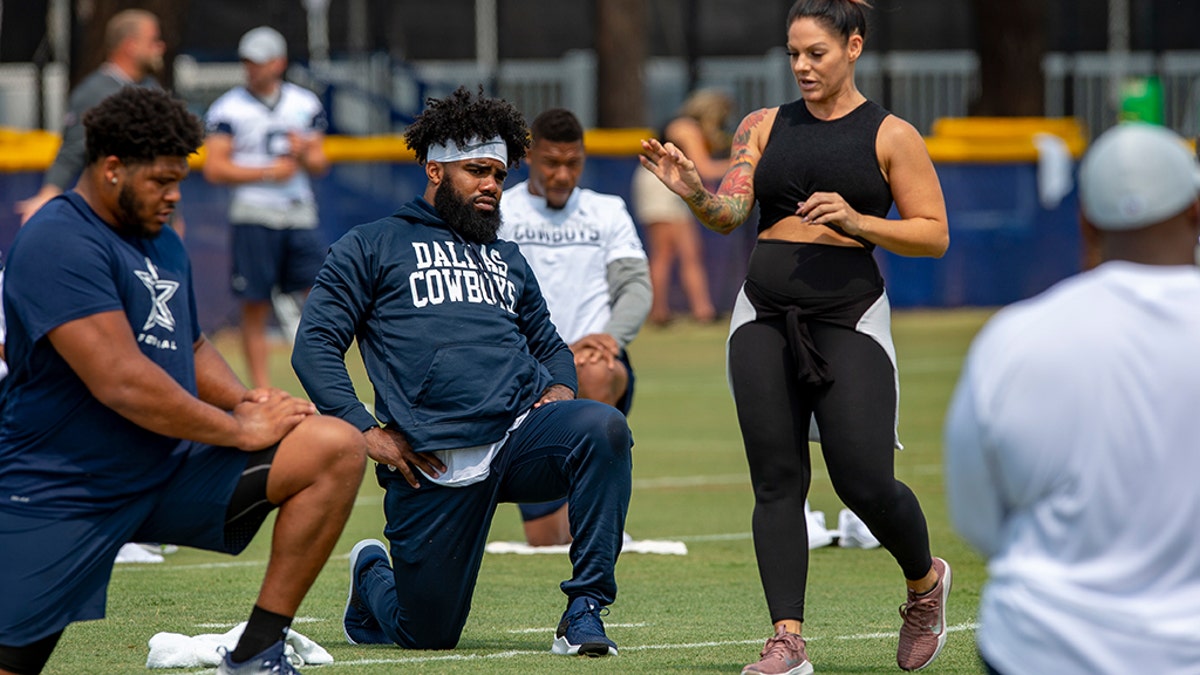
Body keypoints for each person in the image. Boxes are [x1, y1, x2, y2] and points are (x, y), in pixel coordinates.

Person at [0, 87, 365, 675]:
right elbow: (122, 381)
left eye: (180, 180)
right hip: (59, 486)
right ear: (111, 169)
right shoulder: (58, 239)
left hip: (162, 470)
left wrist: (248, 399)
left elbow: (186, 343)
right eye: (161, 181)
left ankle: (257, 652)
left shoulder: (161, 237)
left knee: (333, 446)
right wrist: (238, 428)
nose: (175, 196)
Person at [638, 1, 952, 672]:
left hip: (849, 315)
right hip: (762, 312)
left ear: (854, 47)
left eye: (817, 52)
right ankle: (788, 639)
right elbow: (729, 214)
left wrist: (860, 221)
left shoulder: (892, 134)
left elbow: (933, 232)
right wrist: (695, 192)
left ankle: (925, 585)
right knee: (777, 479)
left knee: (864, 480)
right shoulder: (763, 125)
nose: (803, 66)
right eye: (794, 54)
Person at [291, 86, 633, 657]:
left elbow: (550, 345)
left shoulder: (505, 254)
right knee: (427, 635)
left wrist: (560, 388)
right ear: (433, 169)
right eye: (477, 170)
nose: (491, 186)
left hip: (518, 436)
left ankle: (585, 609)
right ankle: (372, 574)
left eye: (498, 174)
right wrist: (362, 429)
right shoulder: (371, 245)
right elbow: (315, 343)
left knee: (602, 429)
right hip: (431, 460)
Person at [944, 123, 1200, 675]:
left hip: (1040, 645)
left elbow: (977, 518)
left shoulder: (1016, 337)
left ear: (1086, 224)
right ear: (1196, 212)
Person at [498, 107, 651, 547]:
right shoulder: (502, 211)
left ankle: (598, 526)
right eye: (552, 162)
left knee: (598, 372)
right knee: (546, 541)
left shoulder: (606, 211)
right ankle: (572, 522)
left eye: (573, 163)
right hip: (526, 366)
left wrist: (611, 337)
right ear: (529, 157)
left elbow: (636, 287)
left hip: (592, 355)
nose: (563, 174)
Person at [202, 26, 330, 390]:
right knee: (255, 304)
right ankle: (262, 390)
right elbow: (214, 167)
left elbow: (320, 163)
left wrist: (304, 151)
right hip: (254, 212)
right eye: (247, 62)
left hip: (298, 210)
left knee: (319, 298)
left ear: (279, 62)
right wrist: (269, 171)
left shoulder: (304, 103)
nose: (251, 69)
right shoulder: (228, 108)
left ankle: (324, 385)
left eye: (258, 61)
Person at [15, 9, 166, 225]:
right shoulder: (96, 93)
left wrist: (173, 214)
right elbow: (71, 152)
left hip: (153, 212)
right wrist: (48, 194)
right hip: (117, 214)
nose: (160, 47)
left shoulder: (152, 89)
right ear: (130, 45)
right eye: (153, 40)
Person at [630, 89, 729, 325]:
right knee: (664, 252)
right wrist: (742, 164)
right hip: (660, 182)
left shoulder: (685, 127)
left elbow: (695, 171)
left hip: (672, 185)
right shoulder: (686, 127)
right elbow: (703, 168)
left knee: (689, 251)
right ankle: (659, 312)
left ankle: (701, 310)